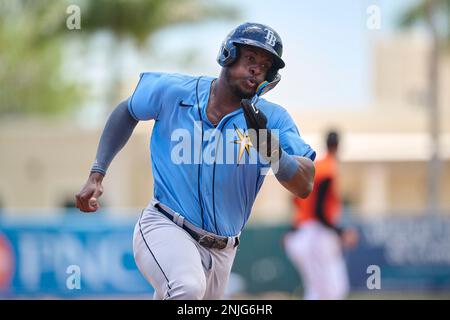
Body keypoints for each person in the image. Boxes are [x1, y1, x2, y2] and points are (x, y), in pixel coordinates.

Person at [75, 22, 316, 300]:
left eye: (264, 65)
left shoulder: (273, 120)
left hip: (224, 251)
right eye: (250, 58)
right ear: (228, 54)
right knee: (186, 289)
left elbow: (304, 183)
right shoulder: (175, 91)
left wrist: (267, 145)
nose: (256, 69)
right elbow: (127, 110)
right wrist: (97, 172)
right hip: (166, 224)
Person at [284, 130, 358, 300]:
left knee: (317, 290)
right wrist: (341, 231)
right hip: (317, 234)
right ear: (338, 145)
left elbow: (297, 202)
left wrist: (292, 229)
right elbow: (318, 210)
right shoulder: (329, 168)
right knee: (333, 289)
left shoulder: (315, 166)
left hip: (302, 234)